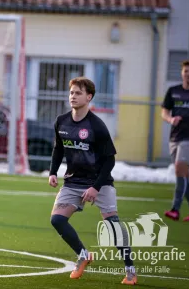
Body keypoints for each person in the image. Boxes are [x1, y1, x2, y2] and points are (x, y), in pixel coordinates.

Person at [48, 77, 137, 285]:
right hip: (73, 181)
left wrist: (96, 187)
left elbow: (110, 161)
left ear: (88, 97)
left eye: (78, 93)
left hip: (100, 181)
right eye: (71, 92)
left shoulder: (97, 126)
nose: (73, 96)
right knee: (57, 220)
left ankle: (130, 270)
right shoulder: (61, 121)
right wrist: (53, 172)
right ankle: (83, 255)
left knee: (113, 225)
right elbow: (58, 148)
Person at [161, 59, 189, 222]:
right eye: (186, 71)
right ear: (181, 73)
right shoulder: (173, 91)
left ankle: (175, 209)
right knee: (183, 174)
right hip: (174, 136)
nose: (188, 74)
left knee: (179, 168)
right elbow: (164, 112)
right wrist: (170, 119)